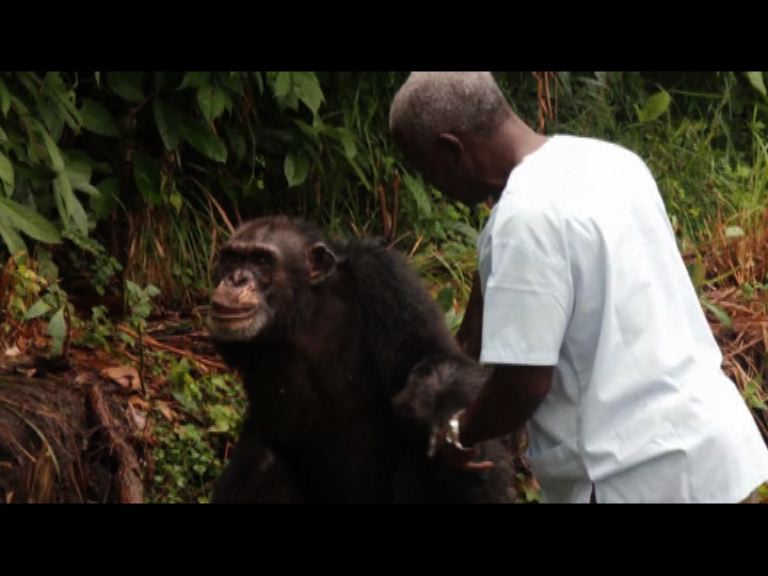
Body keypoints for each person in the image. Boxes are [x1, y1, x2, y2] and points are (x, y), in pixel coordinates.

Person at [388, 71, 768, 503]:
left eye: (427, 169)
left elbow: (524, 384)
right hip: (711, 453)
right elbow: (488, 322)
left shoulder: (525, 217)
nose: (434, 186)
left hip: (631, 478)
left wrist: (459, 434)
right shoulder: (608, 162)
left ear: (450, 149)